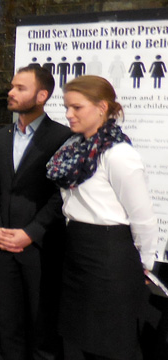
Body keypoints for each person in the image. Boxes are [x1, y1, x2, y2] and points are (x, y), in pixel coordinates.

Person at [47, 75, 158, 360]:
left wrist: (144, 263)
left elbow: (142, 217)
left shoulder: (119, 154)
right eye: (67, 107)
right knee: (75, 339)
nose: (68, 114)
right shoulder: (73, 149)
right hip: (76, 250)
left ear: (101, 107)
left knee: (111, 343)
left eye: (77, 107)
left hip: (109, 258)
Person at [0, 65, 72, 360]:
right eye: (12, 86)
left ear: (41, 95)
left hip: (40, 249)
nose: (11, 92)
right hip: (2, 246)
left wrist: (30, 233)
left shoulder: (63, 137)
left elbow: (62, 196)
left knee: (41, 331)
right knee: (7, 328)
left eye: (20, 88)